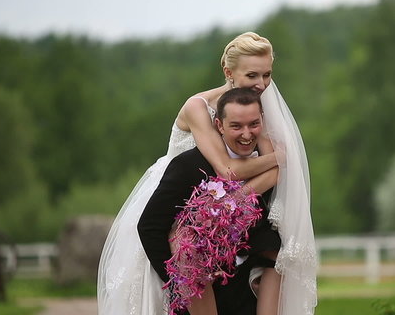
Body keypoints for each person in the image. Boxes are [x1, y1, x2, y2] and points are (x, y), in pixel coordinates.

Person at [97, 32, 317, 315]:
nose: (261, 84)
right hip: (179, 193)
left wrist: (270, 170)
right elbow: (228, 169)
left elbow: (275, 172)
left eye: (267, 75)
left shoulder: (255, 110)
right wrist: (278, 158)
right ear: (229, 72)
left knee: (276, 253)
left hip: (219, 201)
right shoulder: (198, 107)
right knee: (173, 266)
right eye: (252, 75)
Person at [138, 88, 281, 315]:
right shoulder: (188, 165)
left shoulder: (267, 166)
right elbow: (149, 227)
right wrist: (180, 282)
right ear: (219, 126)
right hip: (199, 294)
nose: (246, 134)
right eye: (236, 126)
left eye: (253, 124)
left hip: (246, 291)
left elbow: (267, 224)